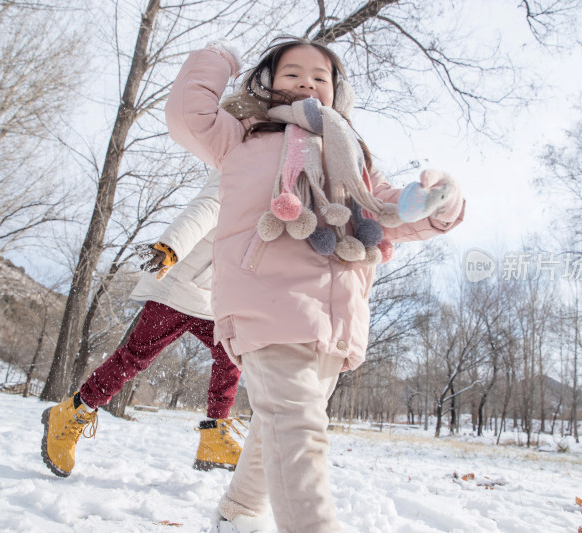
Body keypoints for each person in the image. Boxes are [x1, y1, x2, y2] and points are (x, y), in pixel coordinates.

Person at [165, 36, 465, 533]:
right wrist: (216, 59)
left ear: (334, 90)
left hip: (337, 314)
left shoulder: (351, 152)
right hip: (266, 299)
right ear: (267, 82)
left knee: (276, 426)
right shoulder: (241, 134)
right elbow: (187, 115)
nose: (307, 80)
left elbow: (388, 210)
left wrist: (438, 205)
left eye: (320, 76)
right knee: (300, 429)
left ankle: (235, 515)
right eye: (292, 73)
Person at [40, 170, 245, 478]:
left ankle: (214, 435)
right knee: (136, 357)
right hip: (175, 284)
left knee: (233, 348)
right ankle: (70, 413)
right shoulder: (239, 168)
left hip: (209, 297)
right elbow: (205, 208)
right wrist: (171, 247)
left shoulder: (280, 190)